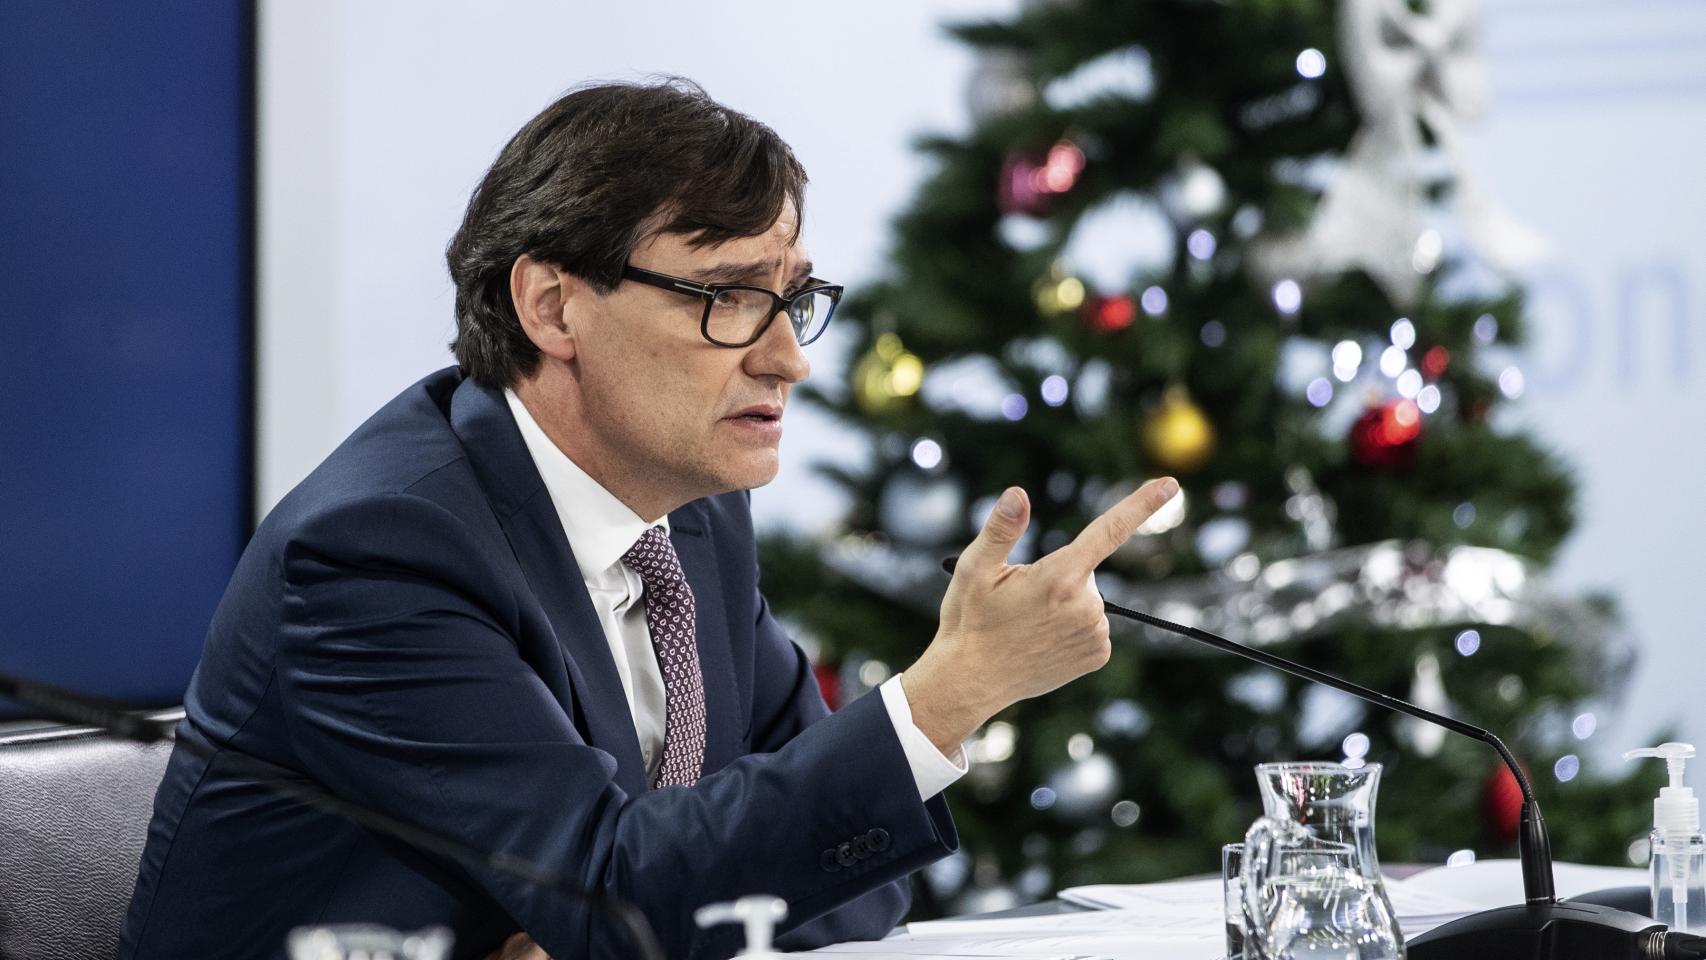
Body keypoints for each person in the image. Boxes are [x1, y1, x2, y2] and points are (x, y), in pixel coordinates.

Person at [117, 78, 1178, 960]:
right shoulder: (378, 553)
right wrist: (951, 693)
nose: (788, 358)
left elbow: (835, 887)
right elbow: (628, 896)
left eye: (793, 297)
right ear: (551, 305)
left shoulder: (693, 517)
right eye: (725, 297)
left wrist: (635, 909)